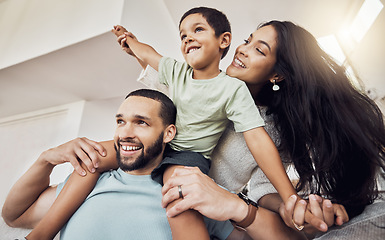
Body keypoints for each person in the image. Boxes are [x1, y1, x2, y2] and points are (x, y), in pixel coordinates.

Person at [25, 7, 300, 240]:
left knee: (178, 197)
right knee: (91, 157)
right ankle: (39, 235)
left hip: (186, 157)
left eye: (198, 30)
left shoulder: (232, 89)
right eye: (183, 34)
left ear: (224, 40)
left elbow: (257, 139)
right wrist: (130, 42)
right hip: (158, 142)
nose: (188, 37)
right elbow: (150, 55)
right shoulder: (178, 71)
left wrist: (289, 197)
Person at [1, 89, 251, 240]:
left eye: (141, 122)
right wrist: (46, 160)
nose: (125, 133)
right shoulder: (89, 180)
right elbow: (14, 216)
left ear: (168, 133)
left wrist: (243, 208)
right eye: (120, 122)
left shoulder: (193, 191)